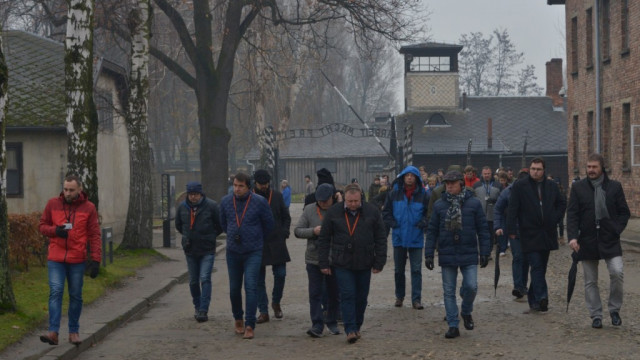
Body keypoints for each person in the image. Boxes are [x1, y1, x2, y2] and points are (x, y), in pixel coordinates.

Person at [566, 153, 630, 329]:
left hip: (610, 239)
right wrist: (572, 237)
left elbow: (624, 212)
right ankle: (596, 315)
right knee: (590, 280)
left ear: (602, 168)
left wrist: (617, 229)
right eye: (588, 167)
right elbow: (572, 215)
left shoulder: (614, 187)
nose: (591, 170)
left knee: (617, 272)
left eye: (594, 167)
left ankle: (615, 309)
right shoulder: (578, 188)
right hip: (586, 240)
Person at [317, 183, 387, 344]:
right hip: (342, 262)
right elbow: (324, 239)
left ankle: (357, 325)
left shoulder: (372, 211)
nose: (353, 204)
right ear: (344, 199)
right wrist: (323, 263)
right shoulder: (334, 212)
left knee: (361, 297)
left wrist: (379, 261)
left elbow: (381, 238)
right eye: (350, 201)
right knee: (347, 295)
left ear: (360, 197)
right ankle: (349, 329)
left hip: (365, 261)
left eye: (356, 201)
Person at [425, 170, 490, 339]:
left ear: (461, 184)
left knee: (471, 286)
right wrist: (429, 253)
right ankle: (453, 324)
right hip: (447, 251)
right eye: (447, 184)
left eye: (452, 184)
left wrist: (485, 251)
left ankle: (466, 311)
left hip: (468, 250)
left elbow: (483, 229)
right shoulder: (440, 205)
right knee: (448, 291)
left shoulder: (474, 204)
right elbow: (432, 231)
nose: (449, 187)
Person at [38, 174, 101, 346]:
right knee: (56, 292)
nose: (67, 193)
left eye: (71, 190)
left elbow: (94, 234)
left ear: (79, 189)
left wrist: (95, 260)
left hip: (77, 259)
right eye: (65, 189)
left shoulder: (89, 208)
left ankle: (73, 332)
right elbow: (42, 225)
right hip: (56, 258)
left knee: (75, 295)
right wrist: (55, 231)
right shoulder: (53, 204)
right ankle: (53, 332)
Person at [506, 157, 566, 312]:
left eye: (538, 169)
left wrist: (554, 218)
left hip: (546, 232)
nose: (535, 172)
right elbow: (512, 209)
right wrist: (511, 229)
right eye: (533, 168)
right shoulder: (520, 186)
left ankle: (534, 301)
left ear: (543, 170)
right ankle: (542, 297)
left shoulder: (551, 186)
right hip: (528, 232)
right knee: (536, 264)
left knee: (541, 267)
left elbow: (561, 203)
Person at [220, 172, 274, 339]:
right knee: (234, 288)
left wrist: (255, 238)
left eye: (241, 186)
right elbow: (223, 223)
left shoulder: (259, 202)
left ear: (248, 187)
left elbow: (269, 225)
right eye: (235, 185)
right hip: (233, 252)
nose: (237, 189)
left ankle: (250, 324)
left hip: (253, 251)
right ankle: (238, 318)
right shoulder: (226, 201)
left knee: (251, 286)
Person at [294, 183, 341, 337]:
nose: (322, 203)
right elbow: (298, 231)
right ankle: (317, 324)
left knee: (334, 293)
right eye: (319, 200)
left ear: (332, 198)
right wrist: (313, 231)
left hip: (334, 259)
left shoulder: (339, 210)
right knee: (315, 293)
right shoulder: (309, 210)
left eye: (325, 201)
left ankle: (332, 321)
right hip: (313, 259)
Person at [382, 166, 429, 309]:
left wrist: (422, 223)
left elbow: (429, 214)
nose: (409, 177)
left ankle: (416, 299)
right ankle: (399, 296)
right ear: (403, 177)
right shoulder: (393, 193)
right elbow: (386, 213)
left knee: (416, 270)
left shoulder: (424, 195)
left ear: (416, 178)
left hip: (416, 236)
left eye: (412, 175)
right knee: (398, 270)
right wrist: (394, 224)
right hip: (399, 236)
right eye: (407, 175)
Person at [175, 181, 222, 323]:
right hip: (190, 248)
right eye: (191, 194)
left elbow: (219, 225)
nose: (193, 197)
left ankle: (203, 309)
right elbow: (178, 225)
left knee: (205, 277)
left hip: (207, 248)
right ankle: (197, 305)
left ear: (201, 194)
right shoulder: (182, 207)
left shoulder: (212, 206)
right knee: (193, 281)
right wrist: (186, 236)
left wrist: (211, 236)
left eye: (195, 194)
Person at [252, 169, 292, 324]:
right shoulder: (250, 197)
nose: (263, 186)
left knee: (280, 274)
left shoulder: (276, 196)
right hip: (257, 243)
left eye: (266, 183)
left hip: (276, 242)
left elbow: (285, 216)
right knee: (258, 280)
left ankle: (276, 302)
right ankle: (263, 311)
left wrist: (284, 232)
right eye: (260, 184)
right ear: (255, 183)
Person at [494, 169, 530, 299]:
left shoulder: (531, 191)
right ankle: (518, 286)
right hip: (514, 230)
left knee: (526, 259)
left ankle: (523, 285)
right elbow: (498, 208)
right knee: (518, 256)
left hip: (529, 230)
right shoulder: (507, 192)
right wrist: (497, 226)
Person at [473, 166, 503, 254]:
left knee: (490, 235)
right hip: (480, 215)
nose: (486, 175)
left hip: (492, 215)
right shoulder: (476, 185)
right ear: (482, 174)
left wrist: (495, 201)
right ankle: (480, 251)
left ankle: (488, 252)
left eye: (488, 174)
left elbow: (502, 200)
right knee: (480, 234)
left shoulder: (498, 185)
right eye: (485, 174)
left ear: (491, 174)